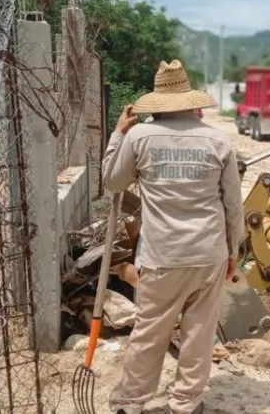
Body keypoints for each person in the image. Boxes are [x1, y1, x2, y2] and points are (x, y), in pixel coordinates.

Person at [104, 59, 245, 414]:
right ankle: (186, 404)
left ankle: (131, 404)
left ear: (157, 103)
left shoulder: (139, 136)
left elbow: (112, 182)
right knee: (199, 335)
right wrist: (233, 252)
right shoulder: (217, 139)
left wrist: (118, 133)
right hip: (209, 254)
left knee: (150, 335)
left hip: (161, 256)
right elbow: (233, 204)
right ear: (190, 100)